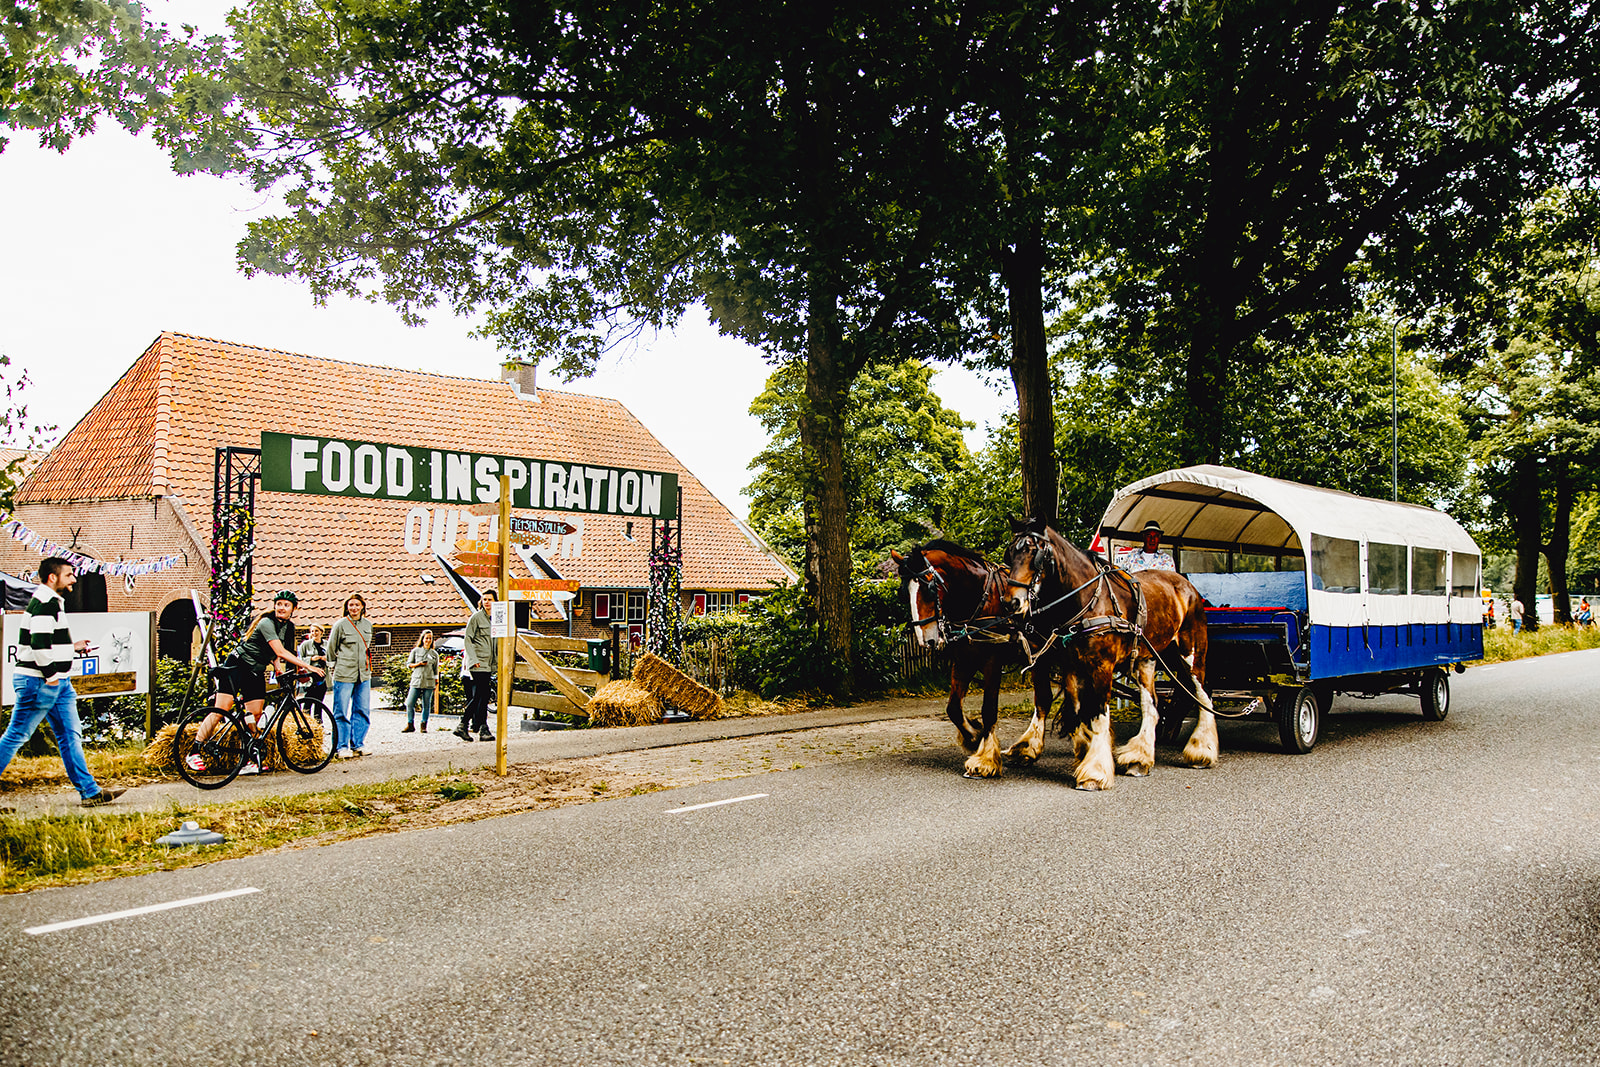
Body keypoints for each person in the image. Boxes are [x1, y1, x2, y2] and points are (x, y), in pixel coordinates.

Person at [0, 558, 125, 806]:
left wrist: (71, 648)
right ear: (52, 577)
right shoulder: (45, 602)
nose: (74, 579)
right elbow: (38, 643)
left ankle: (90, 792)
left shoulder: (50, 602)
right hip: (41, 682)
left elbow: (47, 641)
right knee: (16, 736)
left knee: (70, 735)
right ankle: (89, 791)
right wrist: (52, 676)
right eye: (69, 575)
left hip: (55, 683)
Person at [188, 591, 323, 777]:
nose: (281, 608)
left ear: (293, 609)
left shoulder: (288, 627)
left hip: (256, 670)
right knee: (221, 709)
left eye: (286, 605)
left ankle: (249, 759)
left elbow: (277, 653)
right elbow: (280, 650)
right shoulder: (266, 622)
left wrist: (277, 668)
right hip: (237, 665)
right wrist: (309, 666)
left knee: (256, 713)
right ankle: (194, 751)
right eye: (279, 604)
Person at [326, 593, 375, 758]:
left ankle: (358, 744)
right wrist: (332, 667)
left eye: (357, 605)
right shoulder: (340, 625)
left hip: (364, 673)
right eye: (351, 605)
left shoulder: (368, 625)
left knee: (362, 709)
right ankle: (341, 746)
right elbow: (331, 648)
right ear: (347, 607)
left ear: (362, 607)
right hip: (344, 673)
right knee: (341, 710)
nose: (354, 608)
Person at [457, 591, 495, 743]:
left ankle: (469, 725)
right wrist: (473, 659)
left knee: (483, 695)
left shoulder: (498, 619)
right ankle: (467, 724)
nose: (487, 602)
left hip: (489, 662)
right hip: (479, 662)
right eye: (484, 599)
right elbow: (468, 639)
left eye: (490, 599)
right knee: (481, 694)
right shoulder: (476, 618)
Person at [403, 630, 439, 733]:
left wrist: (436, 681)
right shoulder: (416, 651)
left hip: (429, 681)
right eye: (426, 638)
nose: (428, 640)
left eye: (430, 638)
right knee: (410, 703)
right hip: (416, 680)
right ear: (422, 639)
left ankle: (424, 725)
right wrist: (418, 664)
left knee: (426, 704)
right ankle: (410, 724)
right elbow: (409, 664)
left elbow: (436, 669)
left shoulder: (434, 654)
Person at [297, 624, 329, 702]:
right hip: (310, 675)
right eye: (312, 631)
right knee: (309, 698)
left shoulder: (327, 644)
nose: (314, 633)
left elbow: (333, 657)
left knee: (319, 700)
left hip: (323, 675)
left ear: (321, 632)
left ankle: (317, 714)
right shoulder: (305, 644)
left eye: (316, 631)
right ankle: (305, 713)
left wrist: (326, 658)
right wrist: (311, 659)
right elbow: (299, 659)